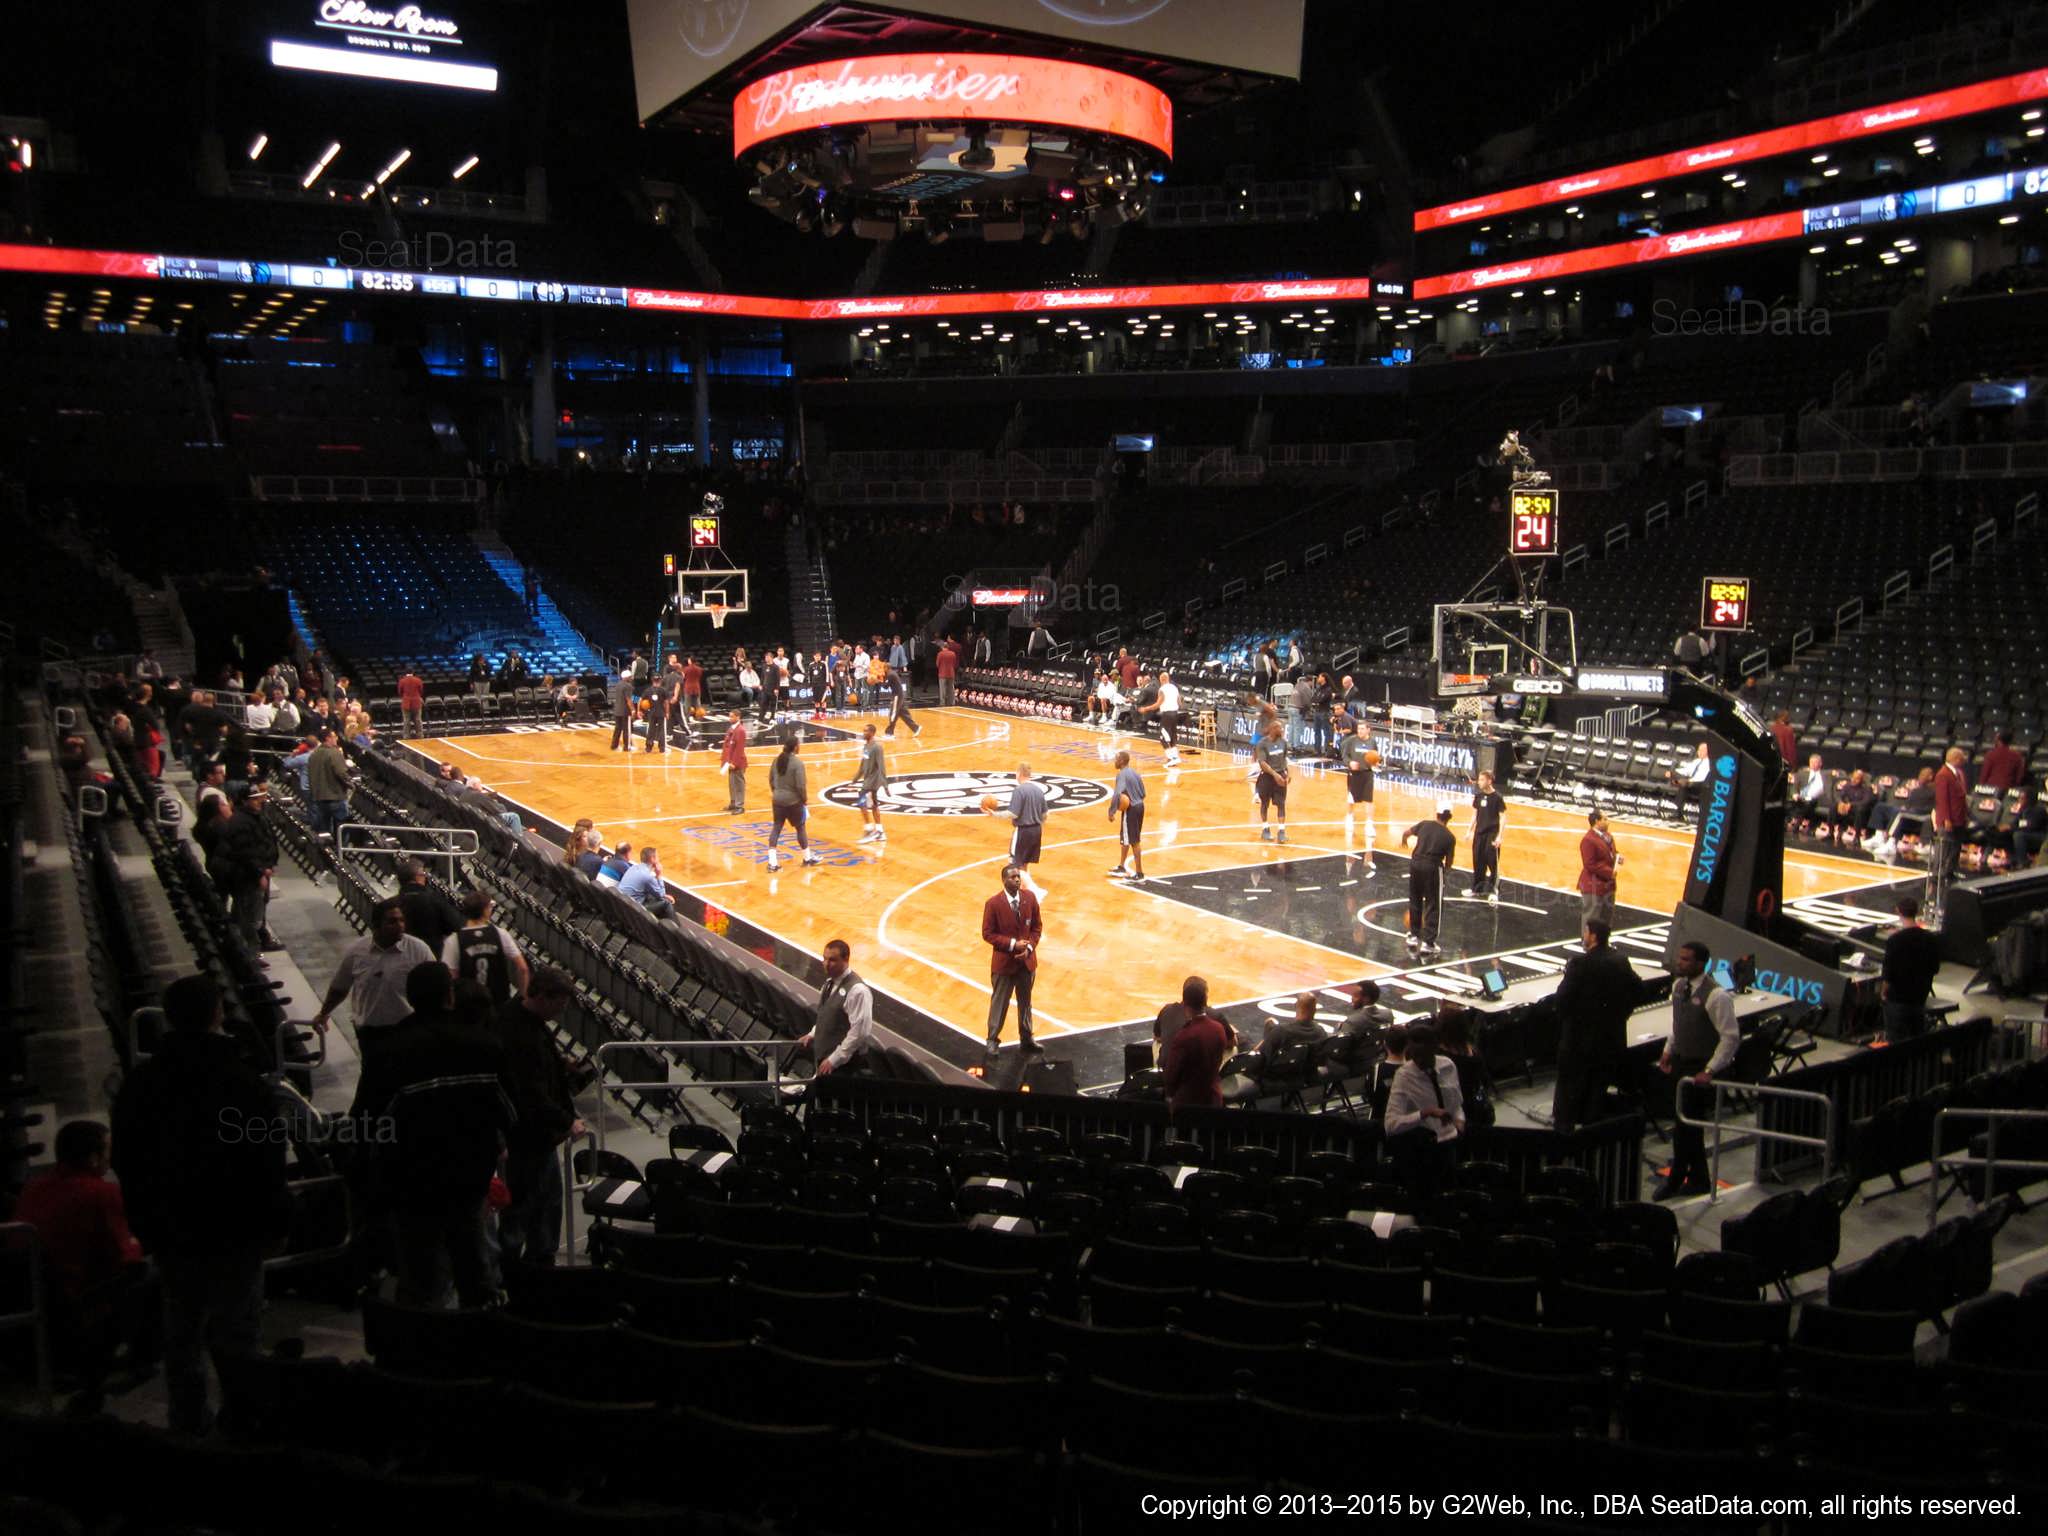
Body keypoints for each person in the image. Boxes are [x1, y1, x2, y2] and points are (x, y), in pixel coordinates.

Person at [111, 974, 290, 1434]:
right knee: (239, 1334)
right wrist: (277, 1220)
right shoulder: (242, 1081)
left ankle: (188, 1427)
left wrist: (145, 1225)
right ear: (216, 1015)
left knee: (182, 1334)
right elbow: (268, 1158)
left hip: (174, 1230)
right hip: (238, 1228)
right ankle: (243, 1424)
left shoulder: (141, 1084)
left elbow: (127, 1161)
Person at [357, 962, 514, 1309]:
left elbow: (368, 1124)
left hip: (411, 1187)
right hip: (469, 1183)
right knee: (476, 1276)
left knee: (421, 1283)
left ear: (411, 999)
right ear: (450, 996)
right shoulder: (484, 1045)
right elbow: (508, 1113)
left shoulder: (387, 1052)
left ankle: (427, 1355)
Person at [13, 1120, 151, 1403]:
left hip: (40, 1301)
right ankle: (143, 1358)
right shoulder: (101, 1193)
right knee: (156, 1272)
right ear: (93, 1158)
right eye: (108, 1151)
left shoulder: (32, 1189)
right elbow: (126, 1258)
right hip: (80, 1303)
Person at [495, 967, 581, 1267]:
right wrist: (567, 1121)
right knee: (530, 1209)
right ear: (543, 996)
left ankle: (525, 1269)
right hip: (528, 1139)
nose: (561, 1012)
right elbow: (530, 1094)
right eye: (560, 1004)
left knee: (537, 1206)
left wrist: (559, 1064)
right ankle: (529, 1275)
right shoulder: (522, 1034)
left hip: (529, 1136)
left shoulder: (517, 1015)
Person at [1654, 941, 1739, 1201]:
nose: (1680, 963)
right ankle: (1700, 1178)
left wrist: (1710, 1070)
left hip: (1699, 1067)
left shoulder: (1717, 996)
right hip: (1681, 1061)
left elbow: (1730, 1038)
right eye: (1680, 958)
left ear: (1701, 964)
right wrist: (1669, 1048)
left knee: (1685, 1127)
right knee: (1686, 1126)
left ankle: (1677, 1178)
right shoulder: (1679, 987)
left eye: (1686, 960)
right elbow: (1679, 1024)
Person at [1550, 919, 1639, 1133]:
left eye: (1586, 932)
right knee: (1597, 1090)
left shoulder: (1579, 964)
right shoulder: (1621, 960)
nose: (1584, 936)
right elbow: (1639, 991)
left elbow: (1561, 1000)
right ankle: (1592, 1135)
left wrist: (1569, 1021)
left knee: (1569, 1093)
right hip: (1610, 1039)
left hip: (1578, 1041)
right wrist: (1621, 1015)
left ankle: (1564, 1140)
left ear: (1593, 936)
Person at [311, 897, 435, 1048]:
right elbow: (339, 988)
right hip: (369, 1032)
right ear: (377, 925)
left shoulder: (418, 949)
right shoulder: (357, 951)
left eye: (402, 920)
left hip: (406, 1029)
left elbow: (437, 984)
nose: (400, 926)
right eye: (392, 921)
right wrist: (324, 1014)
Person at [1383, 1022, 1464, 1198]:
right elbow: (1390, 1125)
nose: (1419, 1061)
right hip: (1422, 1154)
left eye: (1424, 1055)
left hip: (1452, 1145)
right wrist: (1424, 1113)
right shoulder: (1403, 1076)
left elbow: (1456, 1104)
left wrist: (1459, 1120)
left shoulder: (1448, 1066)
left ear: (1435, 1047)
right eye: (1415, 1055)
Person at [981, 863, 1042, 1056]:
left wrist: (1030, 947)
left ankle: (1027, 1037)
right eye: (1013, 877)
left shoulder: (1030, 898)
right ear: (1004, 880)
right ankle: (992, 1040)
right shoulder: (993, 904)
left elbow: (1037, 927)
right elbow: (988, 934)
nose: (1017, 879)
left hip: (1026, 962)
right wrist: (1013, 944)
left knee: (1026, 1002)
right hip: (1004, 964)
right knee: (1000, 1002)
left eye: (1018, 876)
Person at [211, 782, 279, 949]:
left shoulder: (257, 816)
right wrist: (260, 872)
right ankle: (248, 952)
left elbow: (265, 843)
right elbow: (245, 852)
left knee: (254, 912)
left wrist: (269, 865)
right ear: (244, 801)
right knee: (248, 916)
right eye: (254, 799)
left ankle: (249, 948)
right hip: (248, 876)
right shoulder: (240, 822)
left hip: (260, 871)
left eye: (259, 798)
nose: (260, 801)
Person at [796, 939, 874, 1076]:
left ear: (846, 960)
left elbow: (860, 1032)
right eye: (824, 959)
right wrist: (812, 1034)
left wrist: (835, 1059)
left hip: (843, 1064)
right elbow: (826, 1016)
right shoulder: (828, 984)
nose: (826, 964)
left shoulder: (857, 991)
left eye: (832, 960)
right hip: (824, 1055)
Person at [442, 891, 529, 1006]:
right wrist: (522, 997)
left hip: (467, 1004)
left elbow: (451, 976)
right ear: (485, 910)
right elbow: (523, 969)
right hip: (498, 1001)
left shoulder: (454, 940)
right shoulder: (500, 934)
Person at [1160, 976, 1231, 1113]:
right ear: (1206, 1001)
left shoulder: (1184, 1036)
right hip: (1213, 1098)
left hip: (1187, 1103)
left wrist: (1168, 1097)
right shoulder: (1218, 1028)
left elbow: (1170, 1076)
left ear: (1185, 1005)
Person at [1879, 897, 1943, 1043]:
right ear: (1917, 912)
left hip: (1898, 1000)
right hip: (1919, 998)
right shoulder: (1930, 938)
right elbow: (1935, 968)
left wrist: (1883, 993)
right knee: (1917, 1041)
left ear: (1898, 911)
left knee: (1896, 1042)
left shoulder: (1894, 940)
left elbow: (1888, 973)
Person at [1401, 805, 1457, 956]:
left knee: (1415, 899)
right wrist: (1445, 875)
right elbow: (1449, 862)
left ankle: (1413, 935)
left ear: (1437, 813)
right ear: (1450, 817)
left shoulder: (1425, 824)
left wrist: (1404, 842)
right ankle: (1428, 943)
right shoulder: (1450, 837)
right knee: (1433, 904)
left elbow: (1406, 833)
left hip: (1415, 863)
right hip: (1432, 868)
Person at [992, 763, 1050, 898]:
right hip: (1037, 830)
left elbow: (1013, 814)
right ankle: (1026, 894)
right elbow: (1045, 814)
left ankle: (1035, 891)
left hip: (1023, 830)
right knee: (1024, 864)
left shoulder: (1019, 791)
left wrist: (994, 814)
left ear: (1019, 773)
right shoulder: (1038, 790)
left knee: (1014, 864)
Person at [766, 738, 822, 872]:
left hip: (777, 800)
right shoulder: (797, 763)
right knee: (800, 828)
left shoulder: (776, 760)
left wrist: (777, 792)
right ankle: (807, 858)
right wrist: (804, 799)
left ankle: (772, 862)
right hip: (793, 801)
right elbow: (800, 786)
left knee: (776, 828)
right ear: (796, 747)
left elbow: (771, 779)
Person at [396, 857, 462, 959]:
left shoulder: (392, 904)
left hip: (400, 956)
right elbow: (456, 924)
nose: (425, 877)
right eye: (423, 874)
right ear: (417, 878)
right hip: (430, 957)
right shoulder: (433, 900)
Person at [1337, 717, 1376, 869]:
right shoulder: (1351, 741)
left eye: (1362, 729)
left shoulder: (1372, 742)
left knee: (1369, 799)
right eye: (1358, 729)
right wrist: (1349, 763)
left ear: (1368, 730)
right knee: (1351, 798)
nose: (1359, 731)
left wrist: (1376, 763)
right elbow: (1344, 756)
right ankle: (1350, 817)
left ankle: (1369, 824)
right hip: (1354, 774)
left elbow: (1374, 756)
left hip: (1368, 774)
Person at [1933, 745, 1971, 896]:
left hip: (1959, 817)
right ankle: (1937, 873)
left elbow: (1962, 797)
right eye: (1962, 758)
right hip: (1948, 818)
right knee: (1944, 847)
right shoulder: (1943, 774)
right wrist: (1946, 818)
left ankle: (1950, 871)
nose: (1964, 761)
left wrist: (1965, 815)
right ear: (1955, 758)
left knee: (1956, 846)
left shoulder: (1959, 773)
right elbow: (1942, 799)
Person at [1106, 749, 1147, 881]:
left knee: (1134, 841)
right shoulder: (1135, 773)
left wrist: (1111, 811)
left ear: (1122, 761)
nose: (1114, 761)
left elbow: (1117, 794)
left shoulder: (1122, 775)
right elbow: (1143, 793)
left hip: (1131, 809)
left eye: (1116, 759)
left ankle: (1139, 873)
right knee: (1126, 838)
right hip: (1140, 806)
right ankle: (1121, 866)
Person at [306, 728, 352, 841]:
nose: (336, 739)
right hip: (335, 797)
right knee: (341, 827)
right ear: (328, 738)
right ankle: (341, 853)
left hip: (319, 797)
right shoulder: (334, 753)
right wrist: (351, 784)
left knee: (324, 829)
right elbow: (341, 773)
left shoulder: (314, 754)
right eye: (334, 736)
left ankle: (327, 852)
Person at [1578, 810, 1620, 929]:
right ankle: (1588, 945)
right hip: (1593, 886)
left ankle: (1603, 944)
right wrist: (1609, 872)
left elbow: (1610, 853)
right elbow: (1589, 864)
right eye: (1605, 819)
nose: (1609, 822)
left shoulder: (1608, 836)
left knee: (1606, 918)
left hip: (1608, 885)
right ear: (1597, 821)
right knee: (1591, 919)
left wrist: (1617, 857)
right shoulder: (1588, 840)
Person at [1252, 718, 1290, 844]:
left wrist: (1287, 774)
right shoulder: (1262, 743)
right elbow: (1262, 763)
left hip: (1280, 775)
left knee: (1281, 804)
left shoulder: (1283, 742)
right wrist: (1275, 775)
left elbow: (1285, 759)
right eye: (1279, 728)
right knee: (1264, 803)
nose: (1282, 730)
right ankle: (1265, 828)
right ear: (1273, 729)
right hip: (1267, 777)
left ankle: (1281, 831)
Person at [1470, 770, 1505, 900]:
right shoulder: (1478, 796)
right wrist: (1469, 830)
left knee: (1492, 862)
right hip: (1479, 833)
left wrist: (1499, 836)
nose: (1479, 782)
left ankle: (1493, 890)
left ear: (1489, 781)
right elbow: (1474, 814)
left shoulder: (1497, 798)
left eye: (1482, 780)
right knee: (1478, 861)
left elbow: (1502, 817)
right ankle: (1476, 889)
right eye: (1479, 780)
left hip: (1492, 834)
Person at [618, 846, 677, 918]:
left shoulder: (633, 867)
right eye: (657, 857)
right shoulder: (647, 876)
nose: (659, 859)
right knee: (666, 903)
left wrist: (663, 895)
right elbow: (661, 896)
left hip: (621, 903)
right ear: (652, 859)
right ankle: (675, 928)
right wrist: (659, 875)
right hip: (632, 908)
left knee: (652, 896)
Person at [855, 723, 887, 844]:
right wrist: (855, 778)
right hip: (867, 781)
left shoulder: (877, 747)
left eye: (866, 731)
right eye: (863, 731)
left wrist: (884, 783)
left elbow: (881, 766)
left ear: (872, 733)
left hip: (873, 782)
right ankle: (879, 831)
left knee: (863, 803)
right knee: (873, 805)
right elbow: (863, 765)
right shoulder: (866, 747)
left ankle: (870, 830)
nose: (864, 733)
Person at [1669, 741, 1712, 810]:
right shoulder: (1696, 761)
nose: (1699, 752)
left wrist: (1689, 781)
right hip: (1690, 784)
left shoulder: (1710, 763)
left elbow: (1703, 777)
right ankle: (1677, 809)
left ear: (1707, 751)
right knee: (1683, 785)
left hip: (1701, 785)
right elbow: (1686, 770)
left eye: (1701, 750)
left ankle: (1676, 808)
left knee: (1684, 784)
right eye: (1698, 750)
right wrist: (1673, 772)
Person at [720, 709, 748, 814]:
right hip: (730, 762)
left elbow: (739, 749)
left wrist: (734, 763)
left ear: (738, 717)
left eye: (732, 716)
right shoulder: (731, 729)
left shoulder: (740, 730)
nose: (730, 718)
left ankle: (739, 806)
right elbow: (727, 746)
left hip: (737, 763)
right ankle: (733, 803)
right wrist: (725, 760)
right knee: (732, 784)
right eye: (729, 716)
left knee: (739, 784)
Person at [881, 664, 921, 738]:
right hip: (900, 695)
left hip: (897, 696)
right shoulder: (892, 673)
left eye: (884, 668)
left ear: (886, 668)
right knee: (903, 714)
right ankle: (916, 728)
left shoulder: (890, 675)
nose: (883, 669)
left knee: (893, 714)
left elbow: (885, 687)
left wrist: (879, 680)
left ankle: (889, 733)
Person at [609, 666, 635, 751]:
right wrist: (633, 709)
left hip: (617, 710)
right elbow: (628, 700)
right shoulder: (628, 686)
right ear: (627, 678)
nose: (631, 678)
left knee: (618, 728)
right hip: (625, 711)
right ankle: (627, 746)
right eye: (630, 677)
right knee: (627, 729)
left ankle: (614, 745)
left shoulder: (618, 684)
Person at [397, 668, 425, 738]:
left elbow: (400, 692)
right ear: (413, 672)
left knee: (406, 720)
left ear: (405, 673)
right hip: (416, 702)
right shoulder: (418, 680)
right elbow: (421, 691)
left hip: (406, 702)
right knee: (418, 719)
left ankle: (406, 735)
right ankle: (420, 734)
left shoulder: (402, 681)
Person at [935, 638, 959, 708]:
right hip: (951, 673)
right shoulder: (953, 654)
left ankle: (942, 703)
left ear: (942, 647)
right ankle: (952, 702)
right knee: (951, 689)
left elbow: (937, 664)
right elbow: (954, 663)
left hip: (942, 673)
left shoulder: (940, 654)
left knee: (942, 689)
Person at [680, 655, 705, 721]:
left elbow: (683, 678)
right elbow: (699, 677)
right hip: (697, 687)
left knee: (687, 704)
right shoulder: (700, 669)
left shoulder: (685, 669)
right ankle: (699, 717)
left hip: (688, 688)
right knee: (698, 704)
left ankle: (687, 718)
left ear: (690, 661)